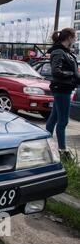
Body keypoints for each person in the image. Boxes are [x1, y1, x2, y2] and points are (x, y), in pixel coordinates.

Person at [46, 28, 79, 158]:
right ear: (69, 37)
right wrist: (72, 75)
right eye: (75, 37)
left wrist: (75, 77)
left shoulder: (65, 52)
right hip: (62, 89)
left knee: (53, 118)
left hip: (64, 88)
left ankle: (45, 143)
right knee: (63, 121)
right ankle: (62, 150)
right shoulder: (59, 52)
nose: (75, 39)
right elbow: (56, 72)